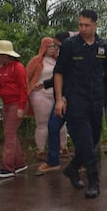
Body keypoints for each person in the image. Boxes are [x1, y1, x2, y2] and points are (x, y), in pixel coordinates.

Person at [54, 10, 107, 199]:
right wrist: (59, 99)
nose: (82, 28)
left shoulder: (103, 47)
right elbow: (58, 73)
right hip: (75, 101)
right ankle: (94, 182)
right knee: (84, 140)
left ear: (95, 25)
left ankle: (72, 169)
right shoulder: (69, 45)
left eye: (86, 25)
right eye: (80, 25)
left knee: (91, 141)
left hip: (96, 100)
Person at [0, 40, 29, 178]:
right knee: (11, 134)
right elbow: (0, 89)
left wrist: (21, 107)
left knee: (9, 134)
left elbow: (23, 89)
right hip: (7, 104)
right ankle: (19, 163)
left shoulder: (18, 67)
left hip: (17, 104)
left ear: (5, 55)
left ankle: (7, 167)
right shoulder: (2, 69)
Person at [35, 31, 73, 175]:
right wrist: (44, 84)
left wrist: (65, 97)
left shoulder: (74, 58)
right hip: (60, 100)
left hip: (72, 100)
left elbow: (74, 81)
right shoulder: (62, 58)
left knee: (76, 131)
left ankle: (84, 160)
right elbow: (59, 77)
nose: (56, 49)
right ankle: (52, 161)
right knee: (52, 126)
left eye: (57, 45)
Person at [26, 37, 66, 162]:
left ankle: (63, 147)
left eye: (54, 46)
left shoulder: (57, 61)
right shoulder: (36, 61)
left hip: (56, 95)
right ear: (44, 47)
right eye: (49, 46)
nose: (52, 49)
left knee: (60, 122)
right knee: (42, 123)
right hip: (40, 94)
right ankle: (41, 150)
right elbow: (26, 77)